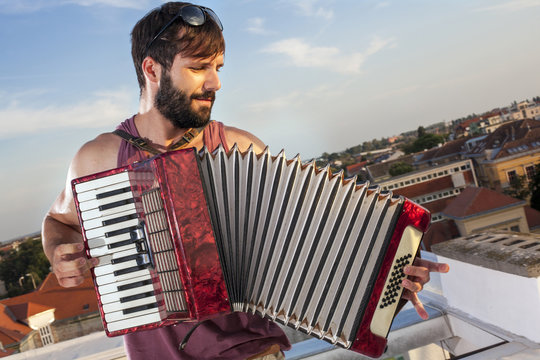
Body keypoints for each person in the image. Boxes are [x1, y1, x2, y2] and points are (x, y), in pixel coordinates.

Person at [41, 2, 449, 359]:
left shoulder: (241, 149)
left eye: (218, 68)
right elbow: (58, 223)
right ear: (152, 69)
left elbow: (311, 249)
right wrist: (61, 253)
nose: (215, 83)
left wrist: (386, 282)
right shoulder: (98, 159)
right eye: (199, 68)